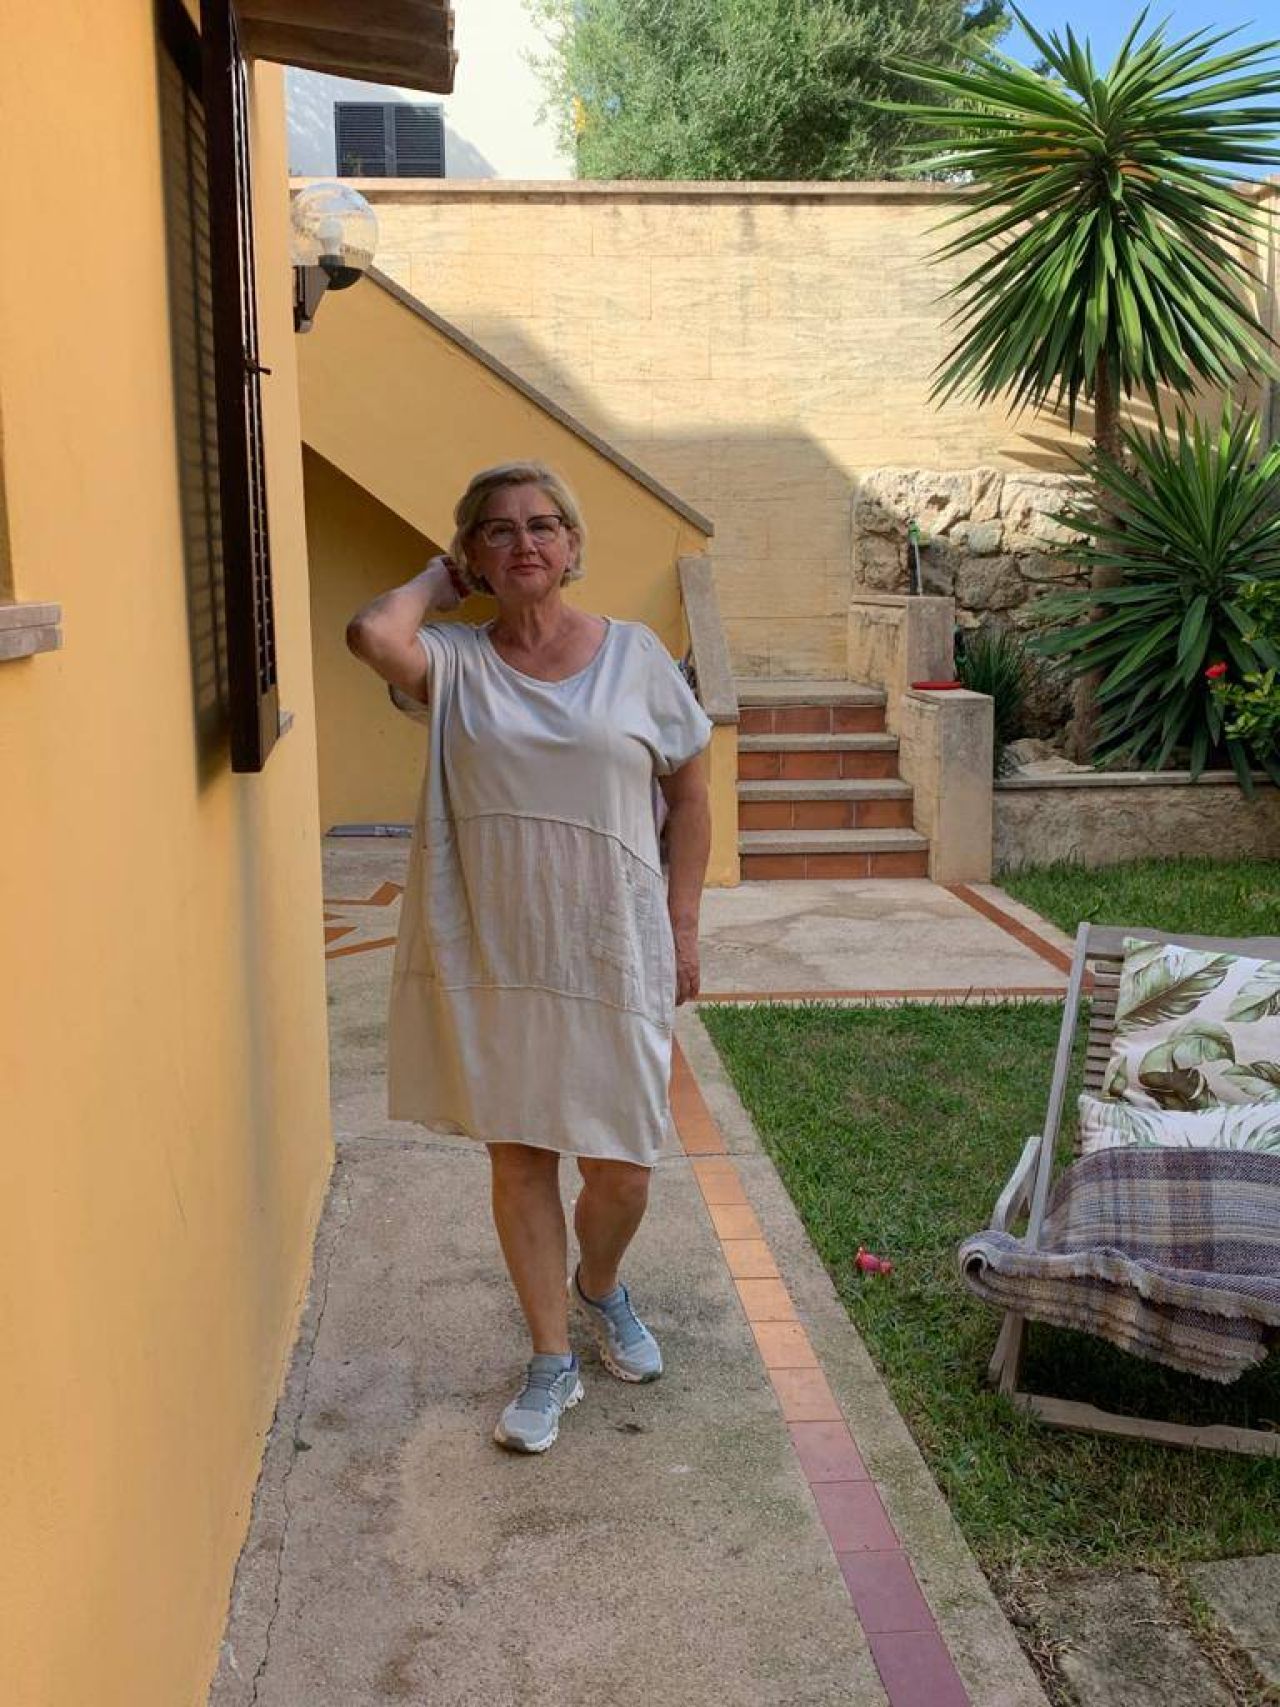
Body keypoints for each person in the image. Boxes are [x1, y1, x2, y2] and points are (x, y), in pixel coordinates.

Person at [345, 461, 712, 1454]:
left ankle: (600, 1284)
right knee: (519, 1155)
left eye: (544, 526)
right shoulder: (454, 663)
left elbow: (689, 797)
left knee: (623, 1167)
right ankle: (550, 1358)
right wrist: (435, 581)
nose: (524, 544)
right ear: (473, 552)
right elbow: (372, 635)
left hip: (611, 943)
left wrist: (682, 926)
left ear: (573, 545)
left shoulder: (635, 657)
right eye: (497, 530)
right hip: (499, 946)